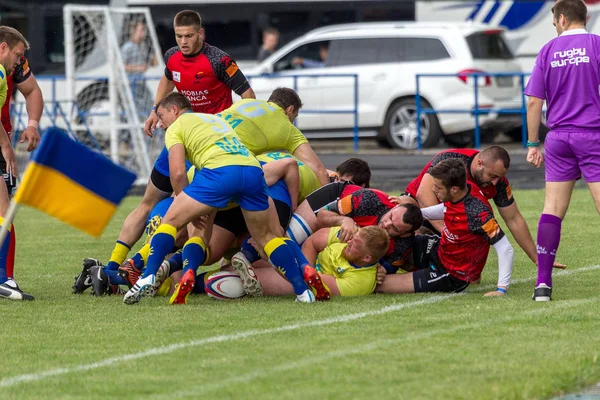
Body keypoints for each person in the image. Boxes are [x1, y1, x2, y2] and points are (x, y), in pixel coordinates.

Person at [75, 10, 256, 293]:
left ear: (201, 34)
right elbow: (166, 79)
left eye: (188, 36)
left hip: (207, 147)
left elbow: (249, 98)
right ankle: (112, 267)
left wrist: (225, 123)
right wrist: (154, 111)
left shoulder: (219, 61)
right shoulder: (172, 56)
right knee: (148, 201)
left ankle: (145, 268)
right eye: (178, 36)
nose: (183, 42)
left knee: (185, 211)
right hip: (178, 140)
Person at [123, 92, 323, 305]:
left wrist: (184, 206)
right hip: (253, 171)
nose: (161, 124)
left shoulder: (177, 127)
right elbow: (298, 166)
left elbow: (179, 173)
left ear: (174, 110)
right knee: (268, 237)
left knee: (172, 221)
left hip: (219, 173)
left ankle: (148, 275)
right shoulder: (215, 119)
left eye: (161, 117)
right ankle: (303, 292)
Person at [524, 0, 598, 301]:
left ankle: (542, 285)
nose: (554, 26)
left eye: (554, 21)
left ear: (562, 18)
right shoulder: (596, 45)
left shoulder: (547, 50)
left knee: (552, 210)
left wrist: (532, 143)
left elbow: (533, 102)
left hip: (559, 138)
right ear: (587, 17)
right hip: (594, 136)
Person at [397, 146, 566, 271]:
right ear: (479, 163)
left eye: (499, 178)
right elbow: (423, 195)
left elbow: (514, 219)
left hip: (450, 221)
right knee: (406, 217)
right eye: (492, 176)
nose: (494, 182)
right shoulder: (452, 159)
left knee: (471, 278)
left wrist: (536, 257)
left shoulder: (498, 184)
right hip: (420, 210)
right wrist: (450, 234)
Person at [376, 159, 514, 296]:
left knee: (380, 285)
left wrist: (501, 289)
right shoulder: (463, 192)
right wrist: (412, 215)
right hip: (439, 250)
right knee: (398, 242)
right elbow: (446, 208)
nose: (433, 189)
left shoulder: (478, 213)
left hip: (451, 274)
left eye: (438, 187)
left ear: (454, 189)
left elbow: (505, 248)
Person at [218, 87, 329, 186]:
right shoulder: (287, 127)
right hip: (223, 163)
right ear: (289, 110)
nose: (292, 122)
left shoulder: (246, 103)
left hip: (206, 131)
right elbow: (320, 171)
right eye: (294, 117)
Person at [247, 226, 390, 298]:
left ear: (366, 258)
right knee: (245, 263)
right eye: (353, 237)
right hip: (301, 263)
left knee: (241, 282)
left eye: (354, 245)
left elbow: (313, 282)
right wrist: (303, 267)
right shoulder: (352, 234)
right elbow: (311, 243)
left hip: (301, 285)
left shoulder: (360, 282)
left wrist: (273, 260)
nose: (349, 241)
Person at [0, 26, 35, 301]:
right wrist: (5, 147)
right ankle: (4, 279)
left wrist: (31, 124)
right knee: (4, 210)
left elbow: (32, 91)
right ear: (4, 48)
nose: (18, 61)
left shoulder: (9, 69)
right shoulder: (0, 72)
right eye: (17, 54)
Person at [120, 20, 156, 116]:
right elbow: (121, 66)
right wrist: (138, 68)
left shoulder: (141, 47)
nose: (144, 33)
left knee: (150, 104)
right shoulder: (128, 47)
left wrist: (151, 62)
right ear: (133, 32)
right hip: (131, 83)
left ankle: (154, 129)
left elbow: (143, 65)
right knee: (132, 110)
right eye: (141, 30)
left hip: (140, 82)